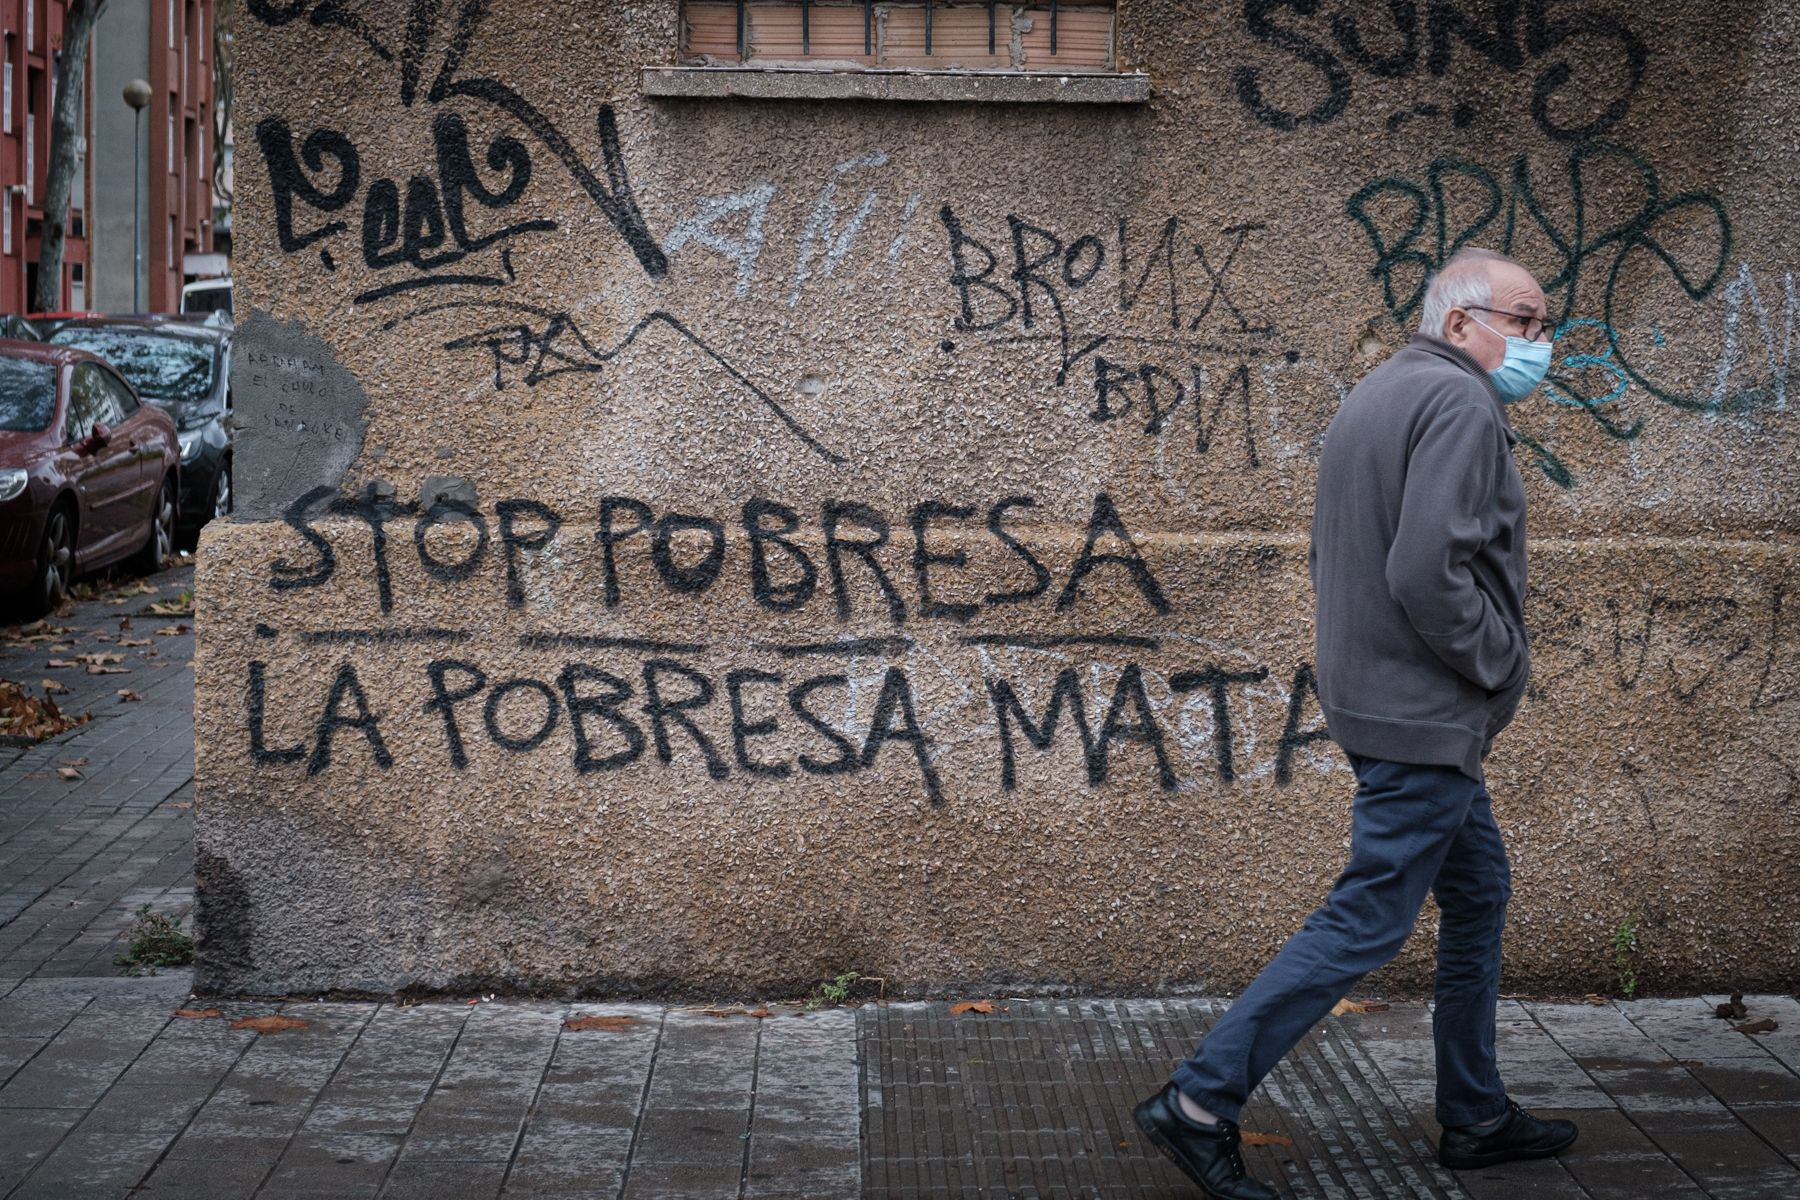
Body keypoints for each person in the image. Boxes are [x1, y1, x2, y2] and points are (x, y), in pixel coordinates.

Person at [1132, 248, 1578, 1199]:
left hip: (1385, 699)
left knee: (1480, 888)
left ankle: (1476, 1113)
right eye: (1527, 321)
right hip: (1424, 710)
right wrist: (1499, 661)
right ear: (1461, 324)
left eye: (1545, 324)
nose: (1543, 342)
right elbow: (1425, 571)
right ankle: (1201, 1101)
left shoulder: (1383, 391)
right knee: (1368, 917)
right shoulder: (1460, 402)